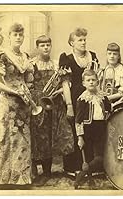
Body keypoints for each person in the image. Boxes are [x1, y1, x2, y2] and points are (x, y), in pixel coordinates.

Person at [0, 23, 34, 189]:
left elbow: (28, 80)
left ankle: (21, 179)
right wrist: (14, 91)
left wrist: (27, 88)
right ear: (9, 36)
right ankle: (1, 179)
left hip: (23, 106)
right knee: (5, 140)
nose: (18, 38)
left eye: (21, 35)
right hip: (7, 104)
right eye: (15, 35)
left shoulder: (26, 57)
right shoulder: (3, 56)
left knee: (22, 141)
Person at [29, 35, 74, 186]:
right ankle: (38, 171)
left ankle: (48, 172)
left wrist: (58, 91)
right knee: (39, 136)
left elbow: (66, 84)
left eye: (48, 44)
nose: (46, 47)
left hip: (54, 104)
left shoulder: (56, 64)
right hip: (38, 104)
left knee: (51, 135)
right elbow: (28, 84)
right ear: (37, 47)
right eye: (42, 45)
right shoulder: (32, 63)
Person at [59, 27, 99, 175]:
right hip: (74, 99)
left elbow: (96, 78)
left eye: (84, 39)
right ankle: (72, 167)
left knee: (89, 129)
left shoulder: (92, 56)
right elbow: (65, 84)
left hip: (90, 99)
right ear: (71, 43)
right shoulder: (66, 59)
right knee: (74, 131)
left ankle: (89, 165)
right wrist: (69, 105)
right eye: (79, 40)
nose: (83, 42)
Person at [74, 69, 111, 189]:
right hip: (88, 130)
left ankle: (81, 175)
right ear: (83, 83)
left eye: (93, 80)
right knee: (89, 156)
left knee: (99, 157)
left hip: (100, 129)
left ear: (97, 82)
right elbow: (78, 120)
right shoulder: (82, 99)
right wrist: (80, 137)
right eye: (88, 80)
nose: (91, 82)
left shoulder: (103, 96)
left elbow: (109, 111)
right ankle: (89, 178)